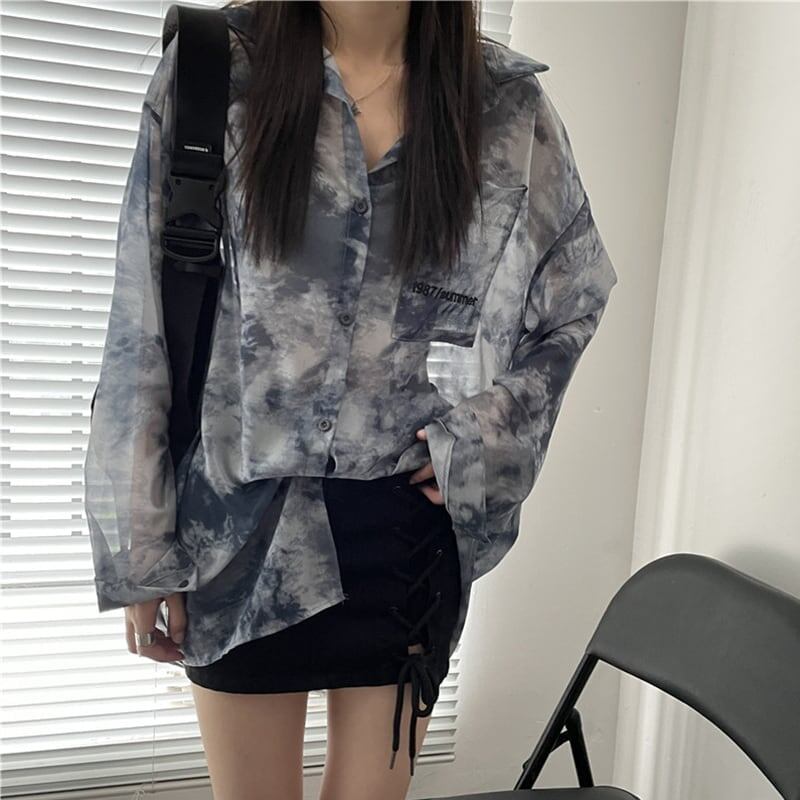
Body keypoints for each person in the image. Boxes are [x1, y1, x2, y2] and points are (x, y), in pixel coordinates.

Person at [83, 1, 618, 798]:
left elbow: (573, 297)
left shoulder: (505, 106)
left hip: (405, 536)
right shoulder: (213, 70)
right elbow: (142, 319)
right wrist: (141, 547)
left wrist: (482, 439)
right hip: (236, 533)